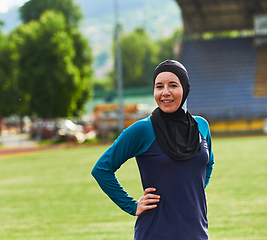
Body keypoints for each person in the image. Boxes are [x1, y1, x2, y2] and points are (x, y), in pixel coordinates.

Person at [91, 60, 214, 239]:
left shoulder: (201, 126)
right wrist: (132, 206)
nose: (165, 92)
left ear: (185, 88)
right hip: (155, 232)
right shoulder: (142, 130)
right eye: (159, 86)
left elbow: (208, 162)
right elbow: (102, 169)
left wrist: (198, 189)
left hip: (196, 232)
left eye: (173, 85)